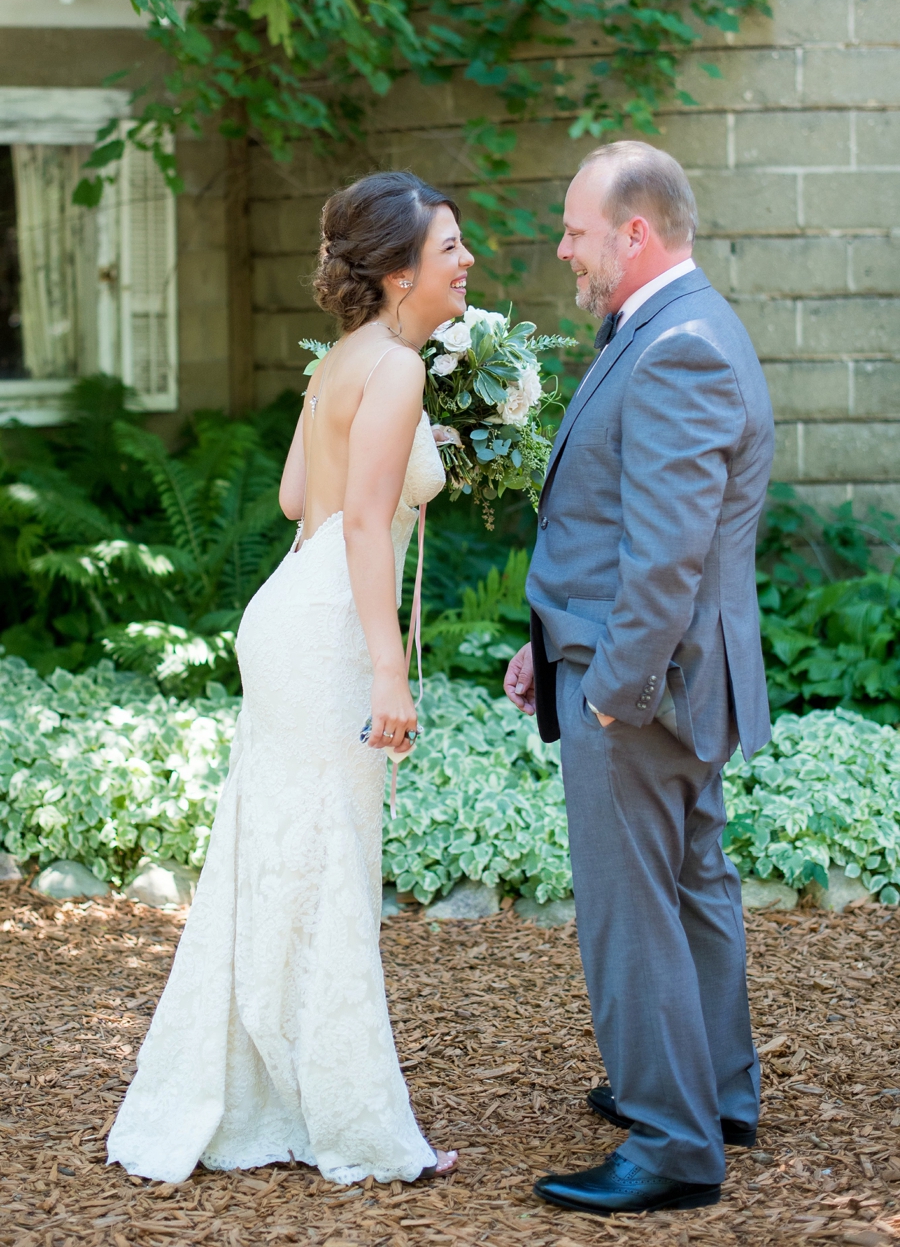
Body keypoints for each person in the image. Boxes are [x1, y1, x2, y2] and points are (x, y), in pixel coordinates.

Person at [108, 172, 473, 1187]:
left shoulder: (347, 363)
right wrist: (390, 668)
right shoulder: (394, 370)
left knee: (279, 860)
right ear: (401, 272)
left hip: (287, 611)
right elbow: (361, 522)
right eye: (450, 247)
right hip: (330, 637)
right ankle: (353, 1127)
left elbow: (291, 496)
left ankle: (258, 1096)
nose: (466, 262)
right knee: (332, 868)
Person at [504, 141, 774, 1216]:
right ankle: (717, 1091)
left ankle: (671, 1142)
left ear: (634, 233)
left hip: (645, 684)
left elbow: (666, 551)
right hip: (667, 668)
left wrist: (613, 683)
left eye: (575, 229)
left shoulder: (681, 345)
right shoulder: (676, 327)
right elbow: (621, 526)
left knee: (633, 908)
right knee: (693, 883)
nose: (562, 247)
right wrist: (548, 638)